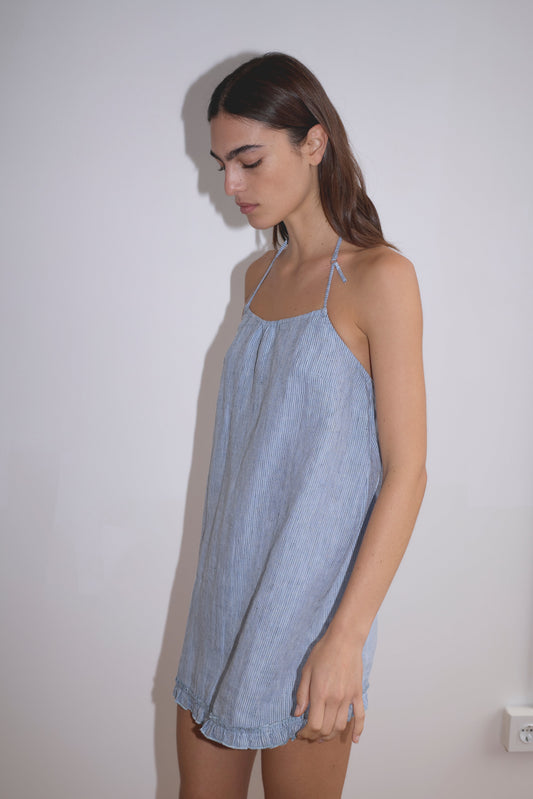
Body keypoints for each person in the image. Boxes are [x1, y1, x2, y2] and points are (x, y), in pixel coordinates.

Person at [174, 52, 426, 799]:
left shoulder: (380, 278)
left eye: (248, 160)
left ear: (312, 143)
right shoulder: (253, 280)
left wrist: (343, 638)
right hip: (222, 598)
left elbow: (406, 471)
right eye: (221, 164)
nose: (230, 185)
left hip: (311, 616)